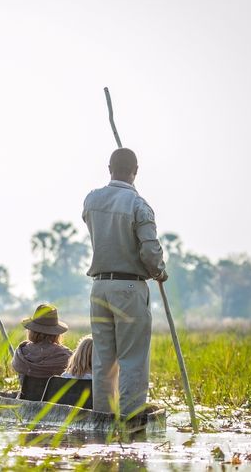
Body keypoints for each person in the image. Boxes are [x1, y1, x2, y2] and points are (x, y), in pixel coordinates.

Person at [82, 147, 168, 415]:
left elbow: (92, 222)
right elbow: (150, 251)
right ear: (136, 172)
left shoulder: (92, 200)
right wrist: (160, 272)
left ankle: (103, 419)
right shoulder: (139, 205)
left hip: (99, 287)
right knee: (132, 360)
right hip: (129, 287)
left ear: (109, 169)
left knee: (103, 360)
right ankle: (131, 420)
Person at [12, 304, 72, 380]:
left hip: (27, 392)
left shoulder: (21, 353)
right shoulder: (66, 356)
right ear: (56, 333)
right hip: (55, 392)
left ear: (32, 331)